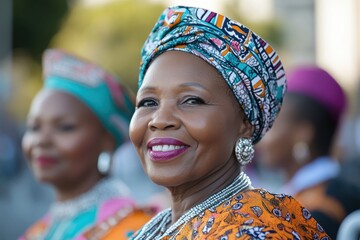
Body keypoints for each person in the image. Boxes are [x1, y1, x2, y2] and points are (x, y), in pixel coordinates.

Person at [128, 6, 330, 239]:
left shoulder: (253, 233)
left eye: (192, 100)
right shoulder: (158, 228)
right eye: (148, 102)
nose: (160, 120)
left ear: (244, 123)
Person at [20, 49, 155, 240]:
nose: (41, 140)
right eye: (34, 127)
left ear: (106, 141)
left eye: (65, 127)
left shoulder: (134, 228)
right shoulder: (37, 232)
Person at [257, 66, 360, 238]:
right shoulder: (328, 191)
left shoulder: (320, 210)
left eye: (271, 124)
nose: (260, 136)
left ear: (303, 133)